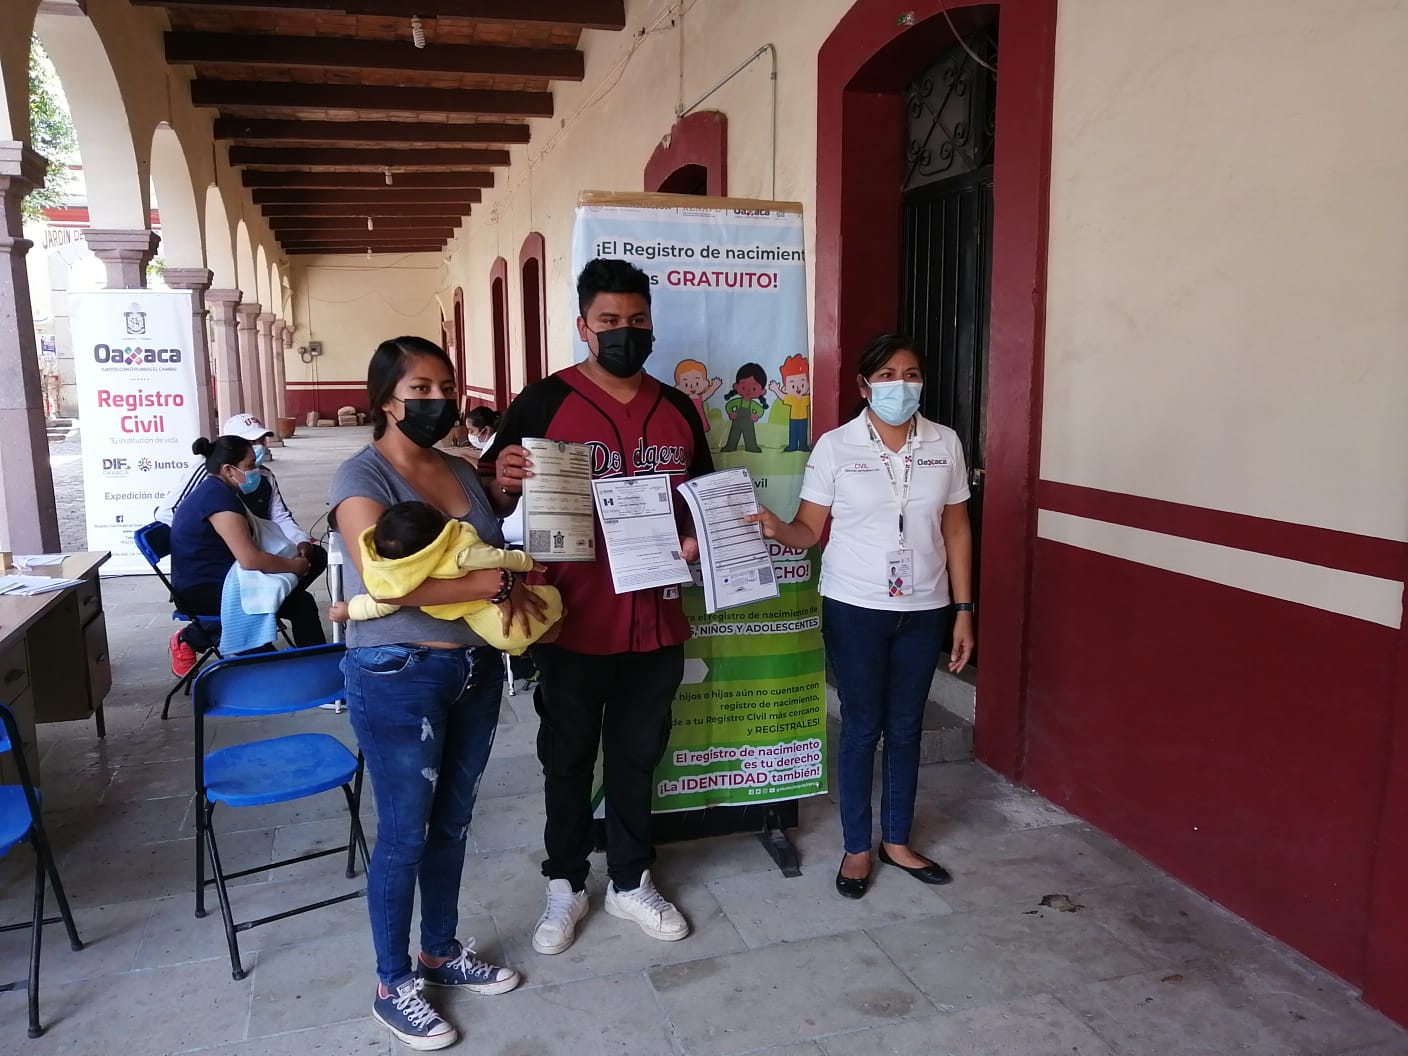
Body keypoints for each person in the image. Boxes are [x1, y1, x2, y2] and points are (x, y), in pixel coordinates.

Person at [483, 258, 712, 956]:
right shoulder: (542, 402)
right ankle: (565, 882)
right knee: (567, 759)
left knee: (639, 756)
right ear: (583, 326)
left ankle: (631, 880)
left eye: (637, 321)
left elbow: (700, 500)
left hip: (656, 618)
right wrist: (502, 479)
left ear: (652, 325)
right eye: (609, 321)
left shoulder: (678, 409)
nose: (624, 332)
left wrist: (697, 538)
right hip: (571, 620)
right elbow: (491, 500)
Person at [329, 336, 543, 1051]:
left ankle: (440, 951)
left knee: (452, 823)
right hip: (398, 672)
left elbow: (483, 538)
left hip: (473, 669)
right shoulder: (361, 476)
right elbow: (384, 582)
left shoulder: (456, 468)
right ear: (385, 399)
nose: (437, 400)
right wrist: (493, 583)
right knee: (405, 834)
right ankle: (392, 984)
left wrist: (505, 488)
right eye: (419, 389)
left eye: (445, 387)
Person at [749, 333, 975, 899]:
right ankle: (856, 846)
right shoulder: (835, 447)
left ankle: (896, 841)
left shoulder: (945, 443)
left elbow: (956, 530)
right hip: (855, 608)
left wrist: (964, 610)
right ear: (864, 385)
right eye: (888, 375)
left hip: (925, 609)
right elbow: (809, 530)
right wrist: (777, 528)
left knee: (906, 728)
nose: (902, 386)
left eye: (911, 374)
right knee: (860, 728)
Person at [167, 434, 327, 675]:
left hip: (226, 575)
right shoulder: (217, 499)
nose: (255, 471)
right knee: (272, 667)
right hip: (203, 590)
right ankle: (257, 650)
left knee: (302, 597)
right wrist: (294, 566)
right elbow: (250, 559)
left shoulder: (220, 490)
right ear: (228, 469)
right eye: (250, 465)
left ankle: (318, 667)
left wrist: (298, 550)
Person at [329, 499, 562, 654]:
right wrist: (528, 561)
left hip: (480, 620)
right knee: (548, 602)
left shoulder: (402, 578)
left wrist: (349, 610)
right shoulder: (461, 552)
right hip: (487, 606)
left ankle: (520, 643)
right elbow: (499, 557)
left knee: (506, 636)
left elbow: (381, 602)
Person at [158, 415, 326, 581]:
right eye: (251, 442)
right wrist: (224, 540)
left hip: (251, 547)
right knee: (279, 574)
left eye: (261, 441)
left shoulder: (263, 476)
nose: (258, 448)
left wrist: (300, 541)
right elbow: (166, 513)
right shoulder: (212, 482)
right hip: (220, 563)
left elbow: (279, 516)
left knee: (313, 557)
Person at [719, 362, 768, 453]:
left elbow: (760, 410)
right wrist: (731, 413)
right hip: (736, 422)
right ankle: (730, 446)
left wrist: (756, 416)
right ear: (736, 386)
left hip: (748, 423)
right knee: (734, 434)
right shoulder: (737, 402)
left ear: (762, 391)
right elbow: (729, 405)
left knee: (750, 435)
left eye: (754, 389)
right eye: (744, 387)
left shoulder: (752, 404)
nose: (748, 391)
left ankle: (752, 446)